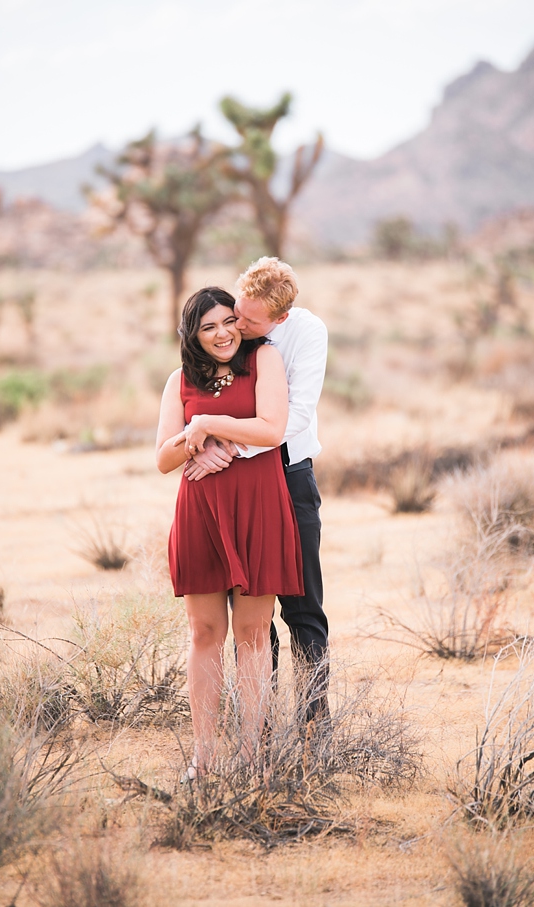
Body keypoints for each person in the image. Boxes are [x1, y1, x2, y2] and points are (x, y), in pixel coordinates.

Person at [155, 286, 304, 776]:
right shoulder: (179, 380)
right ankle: (203, 756)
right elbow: (162, 459)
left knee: (253, 633)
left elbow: (271, 429)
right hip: (201, 510)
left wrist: (211, 424)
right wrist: (195, 442)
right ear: (192, 334)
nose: (222, 334)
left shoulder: (264, 361)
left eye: (227, 322)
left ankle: (250, 756)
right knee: (204, 632)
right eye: (207, 326)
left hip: (258, 504)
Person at [184, 257, 330, 723]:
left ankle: (312, 726)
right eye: (234, 313)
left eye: (248, 320)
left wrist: (229, 448)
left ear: (279, 319)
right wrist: (199, 448)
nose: (236, 326)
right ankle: (258, 726)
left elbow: (297, 416)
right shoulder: (227, 336)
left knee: (303, 608)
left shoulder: (305, 334)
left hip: (288, 475)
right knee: (251, 613)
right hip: (236, 486)